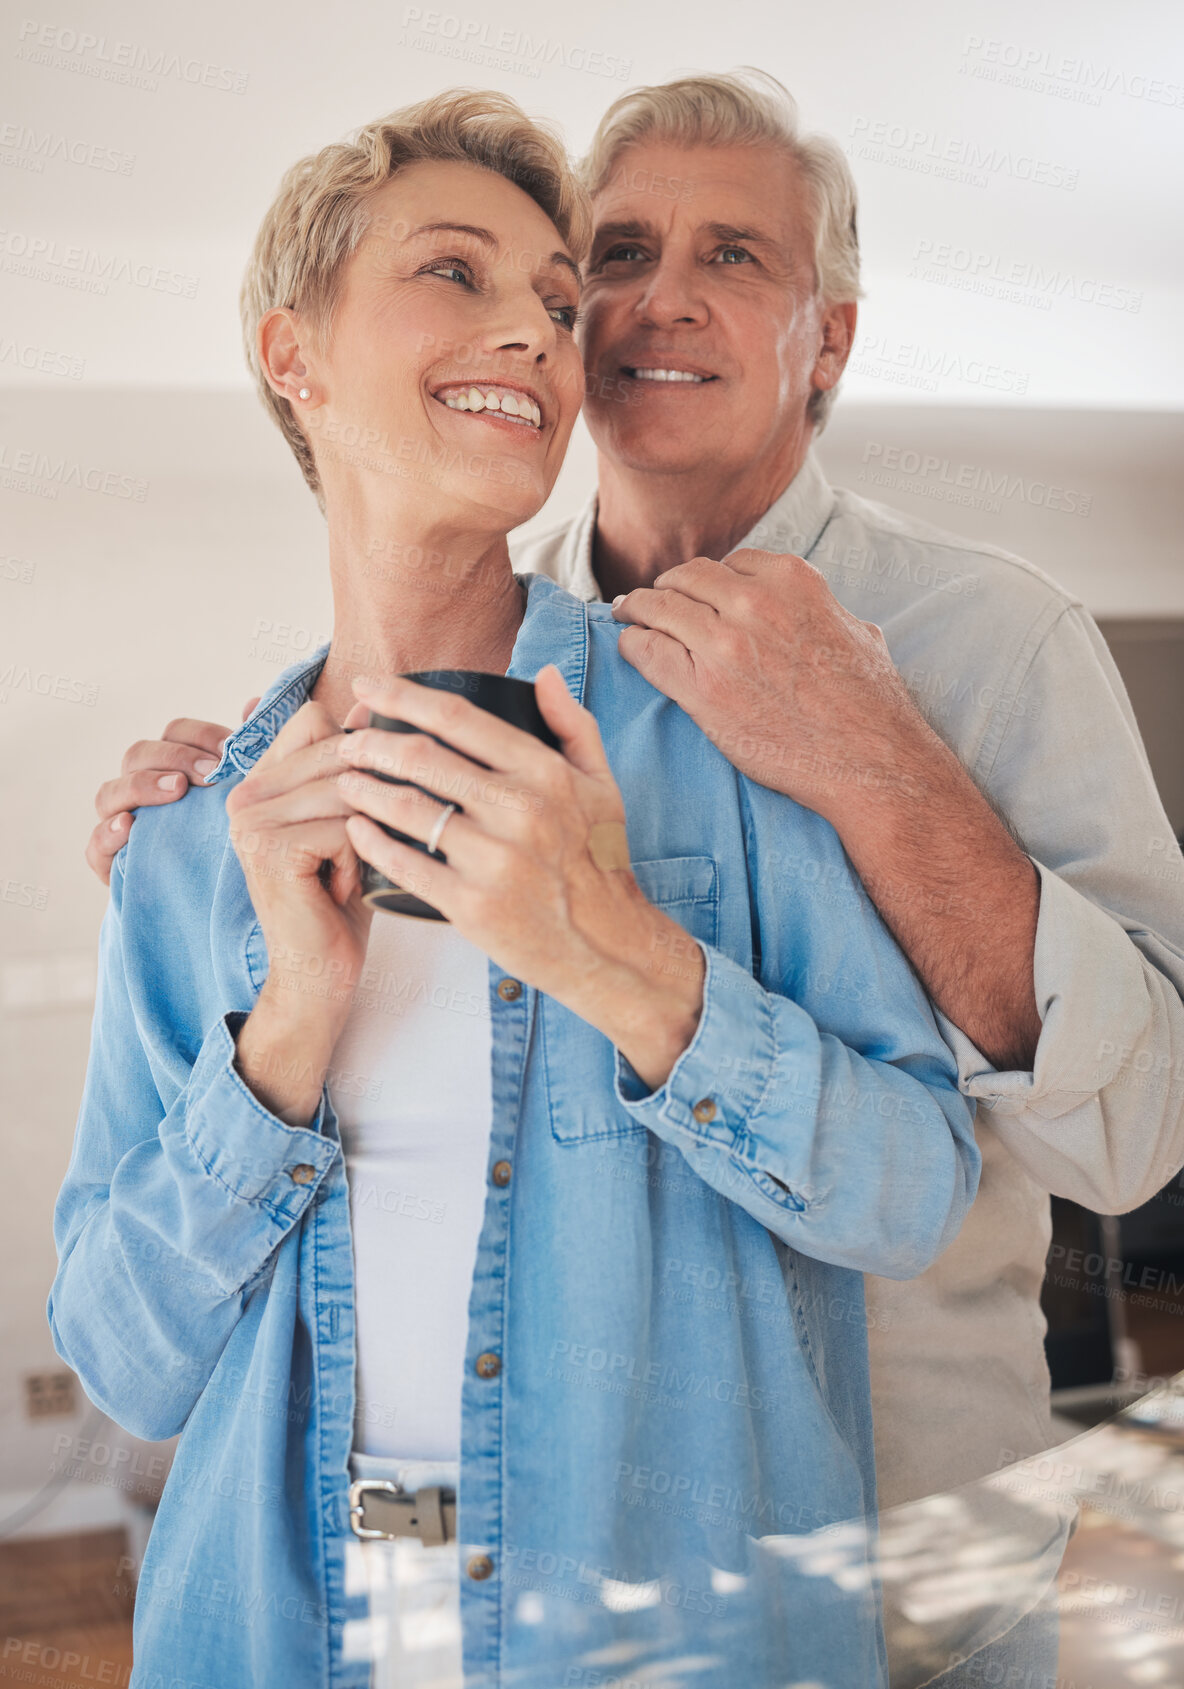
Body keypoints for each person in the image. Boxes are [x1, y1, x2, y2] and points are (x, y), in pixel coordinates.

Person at [92, 69, 1184, 1687]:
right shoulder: (382, 732)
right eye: (610, 255)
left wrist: (871, 767)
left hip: (889, 1561)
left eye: (737, 255)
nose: (646, 301)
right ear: (294, 356)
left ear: (830, 339)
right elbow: (134, 1337)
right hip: (412, 1600)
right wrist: (204, 882)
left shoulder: (979, 643)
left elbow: (1124, 1132)